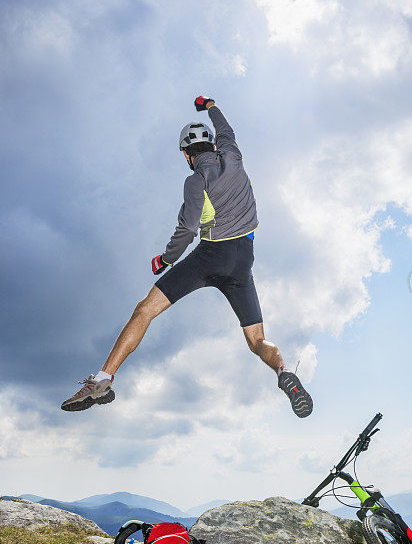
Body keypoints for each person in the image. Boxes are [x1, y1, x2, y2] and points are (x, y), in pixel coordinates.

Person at [61, 96, 313, 418]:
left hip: (210, 256)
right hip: (243, 260)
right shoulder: (233, 156)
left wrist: (165, 260)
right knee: (257, 340)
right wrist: (209, 104)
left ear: (185, 154)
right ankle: (283, 373)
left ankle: (102, 380)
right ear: (213, 144)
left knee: (144, 311)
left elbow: (188, 228)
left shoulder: (195, 181)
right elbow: (226, 128)